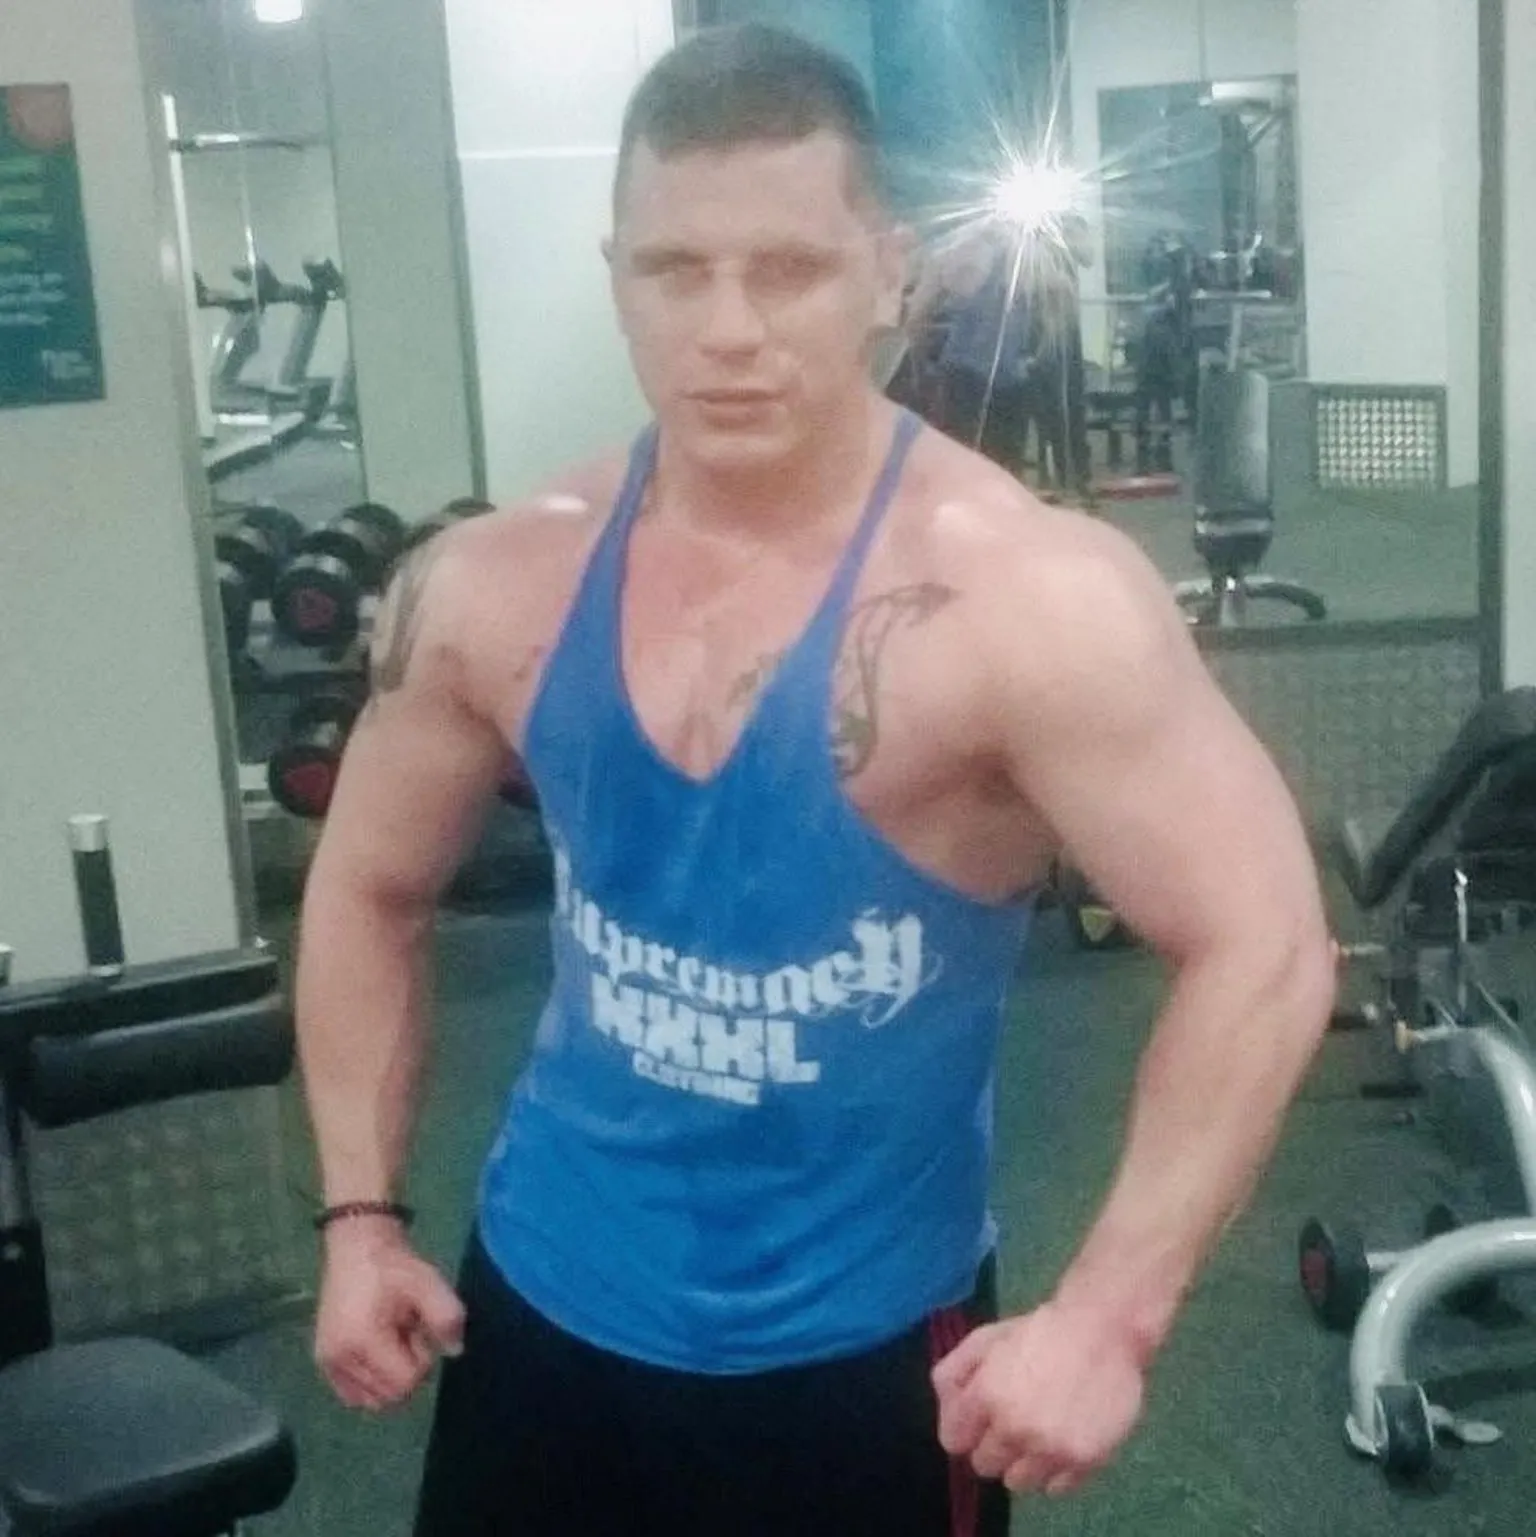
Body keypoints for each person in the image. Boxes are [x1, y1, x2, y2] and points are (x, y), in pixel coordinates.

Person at [293, 24, 1336, 1537]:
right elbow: (370, 888)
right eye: (677, 270)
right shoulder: (496, 584)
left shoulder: (1030, 605)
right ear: (617, 277)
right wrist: (359, 1215)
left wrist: (1110, 1314)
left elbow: (1266, 942)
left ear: (889, 272)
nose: (728, 330)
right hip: (544, 1303)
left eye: (786, 269)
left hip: (865, 1357)